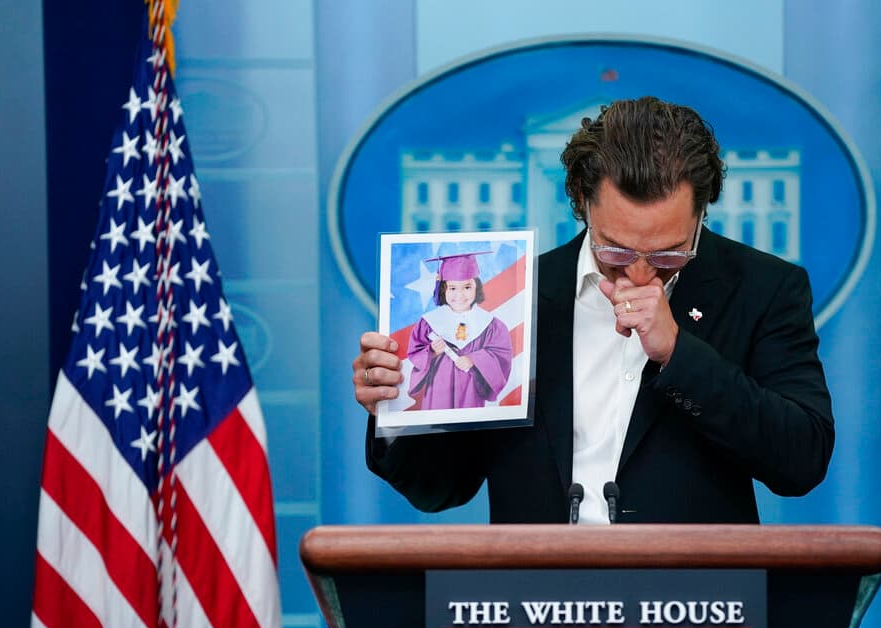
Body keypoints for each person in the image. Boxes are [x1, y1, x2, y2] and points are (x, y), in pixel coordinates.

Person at [352, 96, 834, 524]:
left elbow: (801, 460)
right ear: (583, 202)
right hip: (536, 602)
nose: (643, 275)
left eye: (669, 256)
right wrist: (394, 410)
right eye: (618, 252)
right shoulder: (515, 301)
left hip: (699, 604)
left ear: (702, 213)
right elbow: (440, 488)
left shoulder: (764, 287)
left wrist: (679, 355)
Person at [405, 252, 513, 410]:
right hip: (438, 390)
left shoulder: (491, 325)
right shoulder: (428, 323)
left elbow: (501, 356)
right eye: (452, 288)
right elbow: (415, 353)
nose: (460, 295)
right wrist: (432, 351)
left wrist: (475, 359)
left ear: (477, 287)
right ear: (443, 289)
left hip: (471, 391)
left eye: (467, 287)